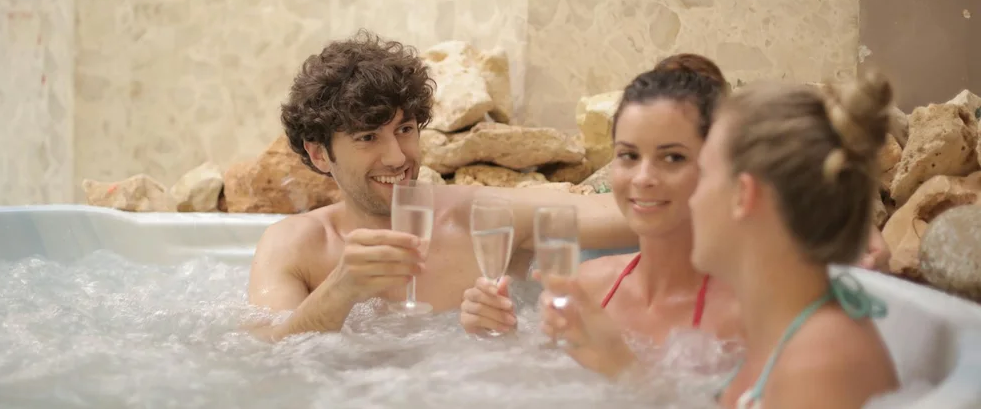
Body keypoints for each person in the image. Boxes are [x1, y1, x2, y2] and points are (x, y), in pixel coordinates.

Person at [244, 30, 639, 341]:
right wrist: (340, 289)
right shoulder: (295, 246)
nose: (397, 156)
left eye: (405, 130)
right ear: (319, 154)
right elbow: (264, 358)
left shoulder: (478, 218)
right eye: (368, 137)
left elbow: (632, 217)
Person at [539, 70, 900, 408]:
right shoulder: (788, 337)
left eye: (705, 172)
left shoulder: (821, 362)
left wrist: (625, 369)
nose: (693, 197)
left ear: (743, 195)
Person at [461, 55, 743, 352]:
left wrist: (622, 369)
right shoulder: (587, 287)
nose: (643, 178)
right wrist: (496, 335)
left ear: (717, 166)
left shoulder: (743, 312)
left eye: (673, 157)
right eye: (629, 156)